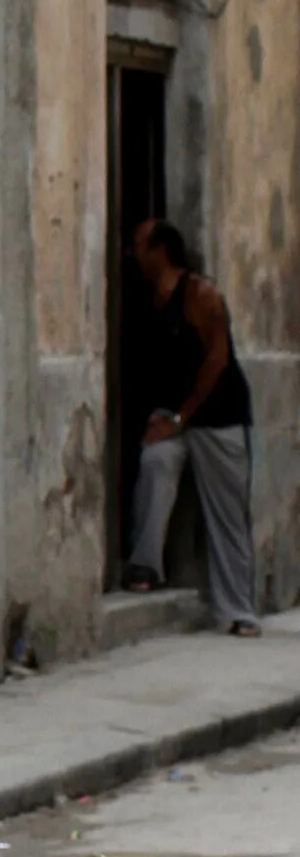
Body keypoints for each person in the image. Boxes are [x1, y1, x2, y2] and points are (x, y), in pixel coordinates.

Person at [123, 219, 259, 634]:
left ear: (160, 251)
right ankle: (145, 565)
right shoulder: (146, 299)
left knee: (227, 512)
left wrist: (182, 417)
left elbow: (217, 361)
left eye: (138, 244)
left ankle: (238, 611)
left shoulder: (202, 295)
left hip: (216, 416)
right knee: (155, 463)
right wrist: (167, 420)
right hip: (176, 414)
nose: (132, 252)